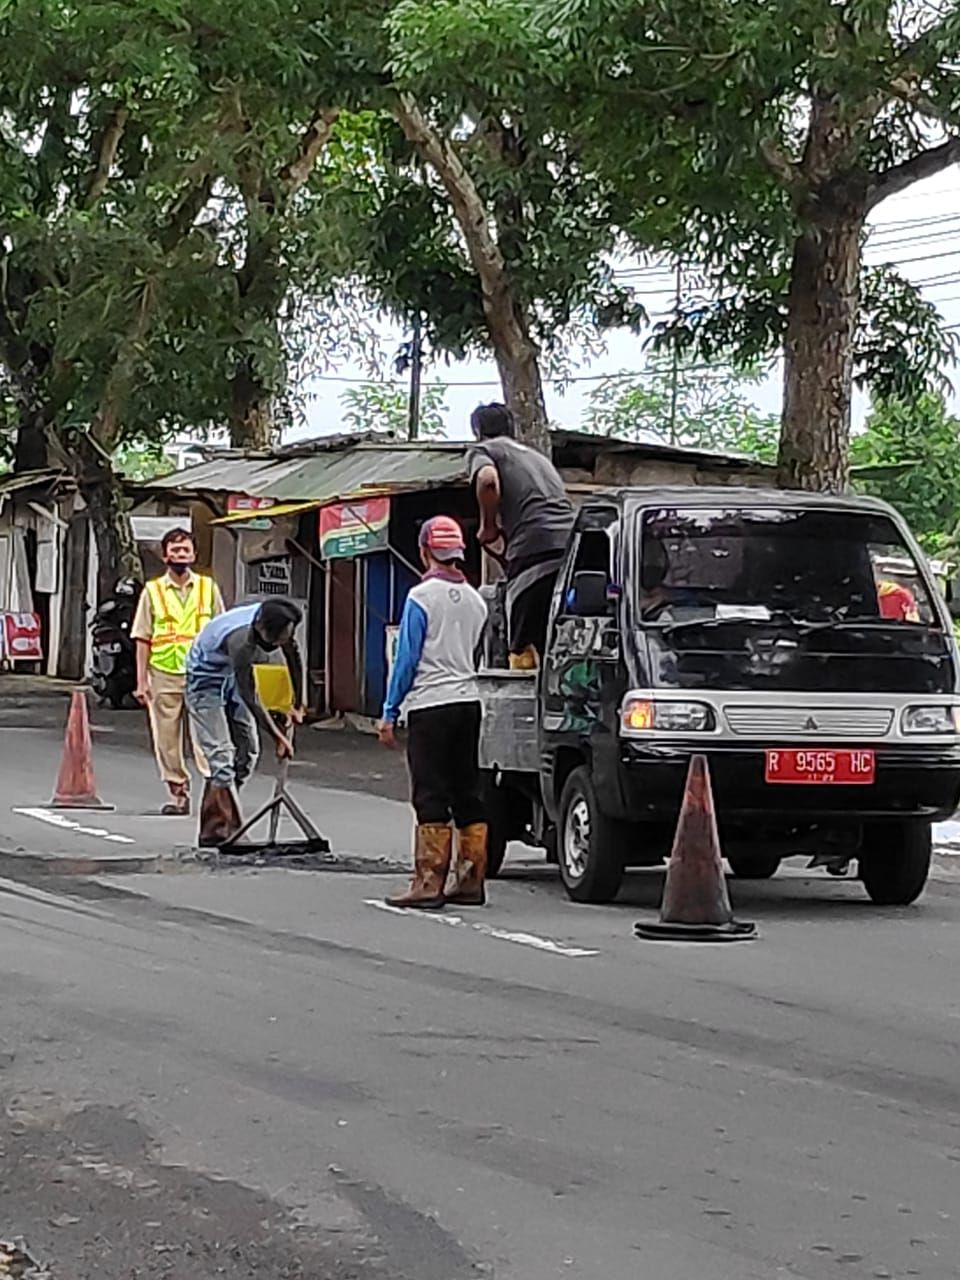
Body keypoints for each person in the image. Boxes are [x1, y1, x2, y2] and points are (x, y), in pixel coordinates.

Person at [378, 516, 489, 910]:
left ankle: (428, 882)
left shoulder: (420, 598)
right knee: (467, 791)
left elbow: (406, 659)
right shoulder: (476, 599)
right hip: (468, 701)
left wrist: (390, 711)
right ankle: (471, 880)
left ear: (424, 550)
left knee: (430, 792)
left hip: (430, 704)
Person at [186, 598, 305, 846]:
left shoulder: (278, 619)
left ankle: (214, 824)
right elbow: (250, 696)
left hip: (230, 676)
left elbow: (293, 655)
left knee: (247, 755)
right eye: (277, 640)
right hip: (205, 679)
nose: (281, 643)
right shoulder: (241, 642)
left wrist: (298, 702)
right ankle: (233, 830)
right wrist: (278, 737)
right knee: (221, 757)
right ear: (263, 630)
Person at [468, 403, 574, 669]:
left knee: (521, 642)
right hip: (572, 548)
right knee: (558, 638)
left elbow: (487, 480)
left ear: (477, 432)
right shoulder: (538, 458)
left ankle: (522, 703)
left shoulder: (484, 450)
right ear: (511, 428)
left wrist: (488, 525)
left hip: (533, 550)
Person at [131, 528, 224, 815]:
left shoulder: (209, 589)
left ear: (194, 555)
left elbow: (221, 631)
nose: (180, 555)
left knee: (206, 736)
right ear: (165, 555)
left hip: (202, 672)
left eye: (185, 550)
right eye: (175, 550)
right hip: (164, 671)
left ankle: (215, 794)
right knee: (166, 737)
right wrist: (141, 682)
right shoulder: (153, 591)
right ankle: (178, 794)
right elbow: (142, 637)